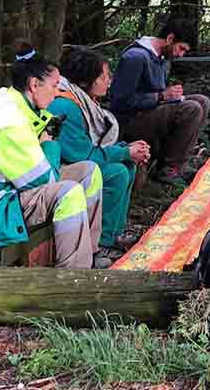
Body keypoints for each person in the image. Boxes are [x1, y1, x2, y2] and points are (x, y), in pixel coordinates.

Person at [0, 47, 105, 269]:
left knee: (89, 172)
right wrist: (49, 144)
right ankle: (74, 277)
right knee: (69, 193)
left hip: (6, 190)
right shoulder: (8, 121)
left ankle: (91, 253)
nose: (57, 92)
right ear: (34, 85)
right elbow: (46, 181)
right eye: (54, 85)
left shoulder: (13, 103)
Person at [51, 46, 153, 264]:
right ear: (86, 80)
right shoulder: (65, 105)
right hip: (57, 169)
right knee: (116, 173)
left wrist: (128, 149)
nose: (109, 81)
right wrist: (125, 151)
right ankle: (100, 246)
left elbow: (91, 146)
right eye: (104, 76)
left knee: (126, 166)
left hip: (75, 162)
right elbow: (84, 156)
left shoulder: (84, 101)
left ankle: (114, 232)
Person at [109, 15, 210, 185]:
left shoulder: (162, 58)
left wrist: (171, 97)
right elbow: (120, 102)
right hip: (130, 121)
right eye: (181, 48)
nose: (181, 54)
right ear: (170, 38)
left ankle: (177, 161)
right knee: (191, 108)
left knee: (202, 101)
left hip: (151, 111)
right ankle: (169, 169)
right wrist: (162, 96)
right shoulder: (136, 57)